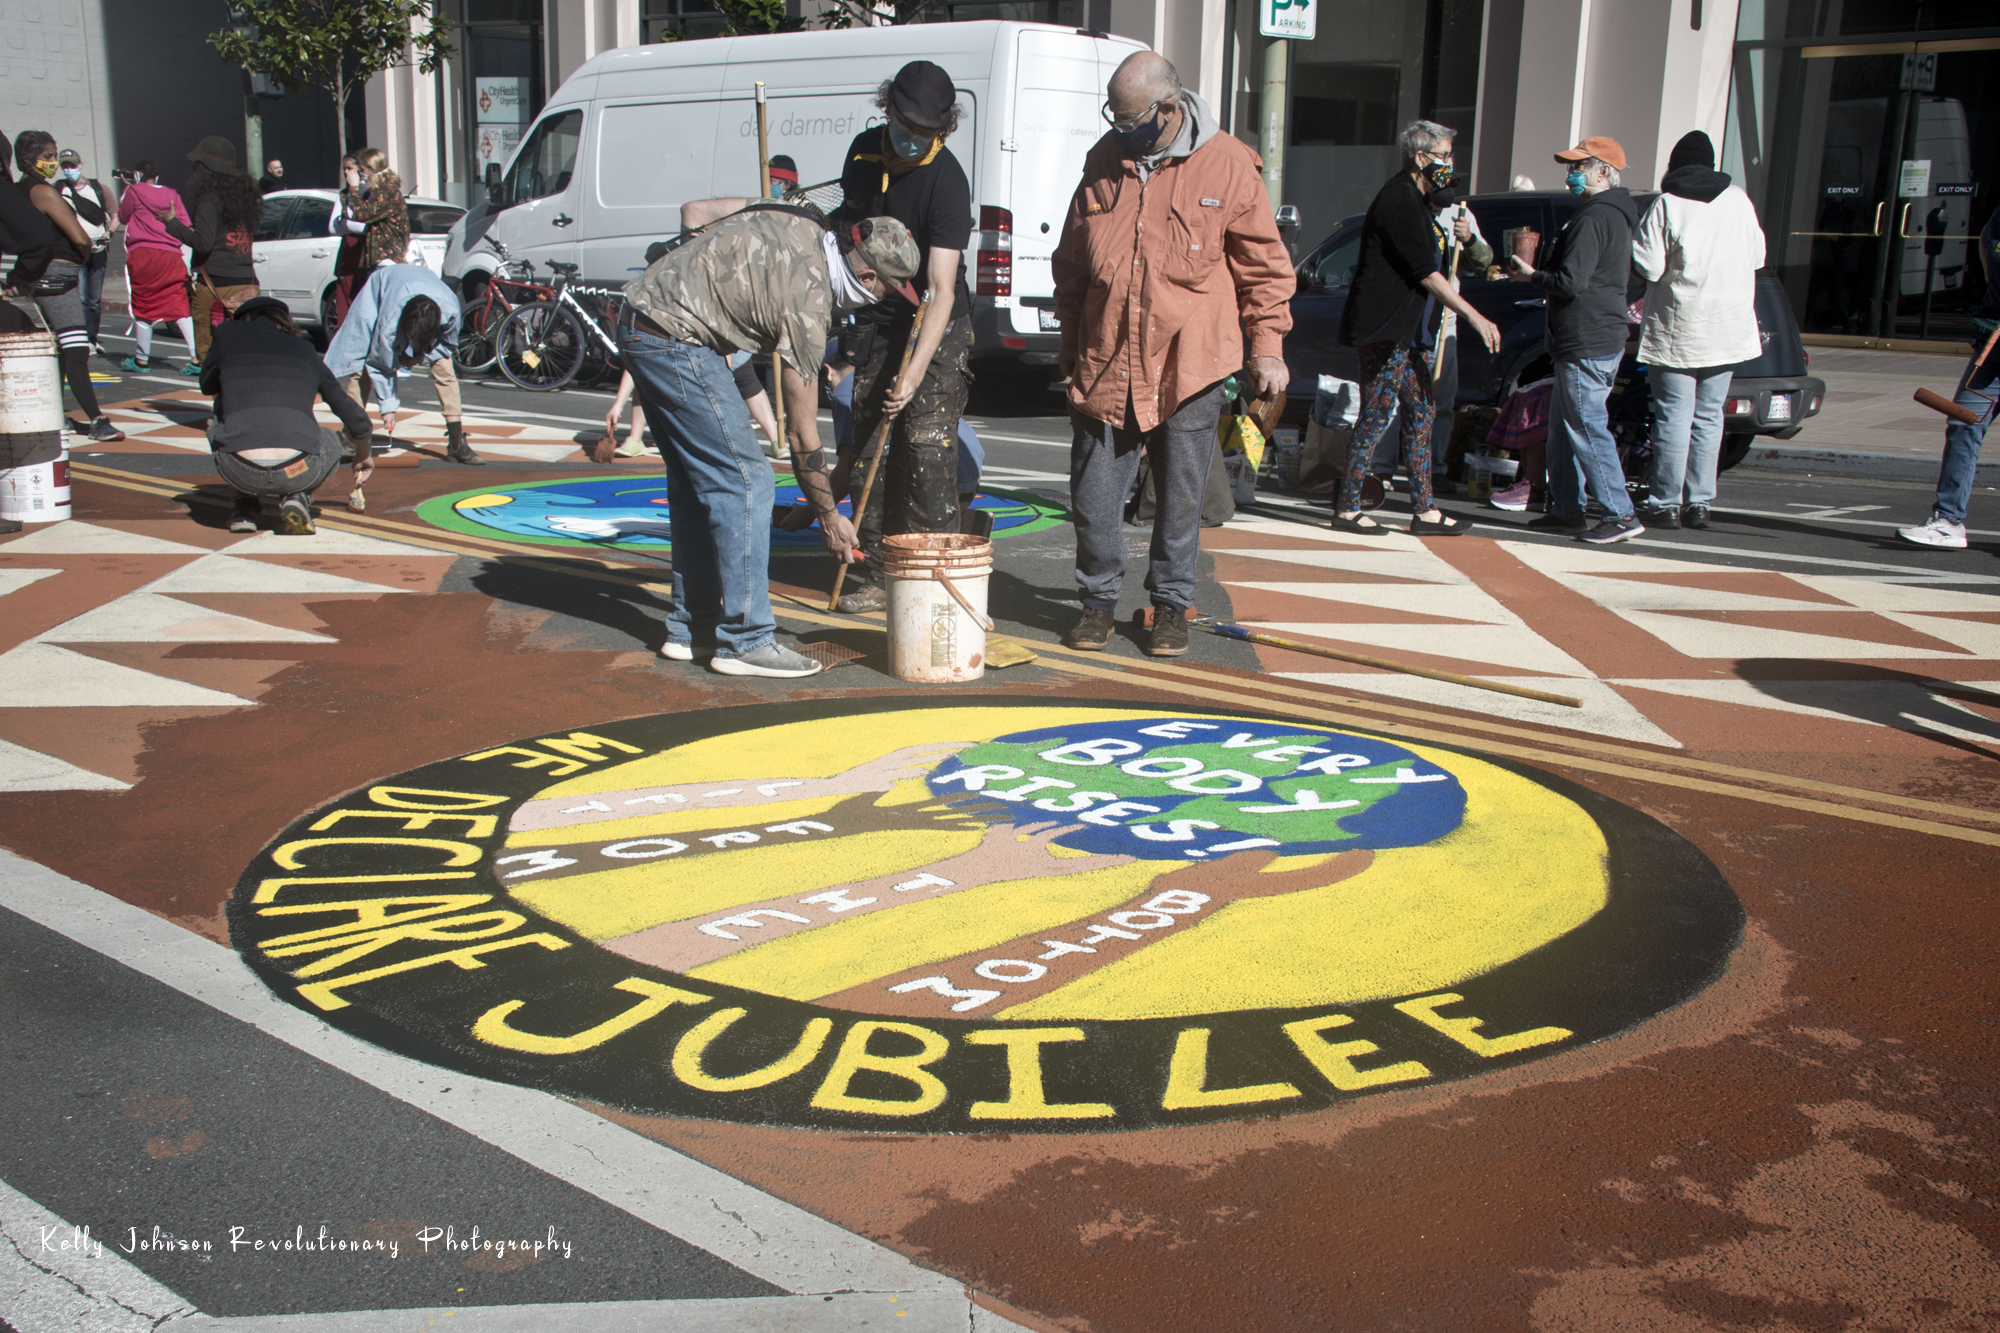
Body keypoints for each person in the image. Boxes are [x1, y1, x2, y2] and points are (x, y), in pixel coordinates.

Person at [1051, 52, 1295, 656]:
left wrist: (1268, 348)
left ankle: (1170, 606)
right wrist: (1069, 339)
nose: (1117, 128)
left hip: (1192, 360)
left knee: (1181, 496)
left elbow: (1263, 267)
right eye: (1112, 114)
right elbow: (1074, 258)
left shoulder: (1231, 164)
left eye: (1127, 117)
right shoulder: (1105, 160)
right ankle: (1098, 603)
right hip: (1107, 355)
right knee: (1093, 495)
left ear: (1168, 108)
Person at [617, 203, 919, 677]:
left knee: (699, 483)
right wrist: (829, 517)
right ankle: (745, 640)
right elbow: (801, 436)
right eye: (885, 289)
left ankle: (692, 627)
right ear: (863, 272)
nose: (881, 301)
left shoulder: (807, 230)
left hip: (642, 318)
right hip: (676, 338)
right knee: (747, 480)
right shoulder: (809, 303)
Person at [804, 61, 977, 614]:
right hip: (878, 316)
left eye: (925, 133)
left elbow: (942, 291)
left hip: (934, 323)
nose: (910, 139)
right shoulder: (862, 152)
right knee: (871, 445)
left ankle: (933, 575)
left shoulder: (947, 181)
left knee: (925, 445)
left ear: (943, 130)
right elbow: (850, 227)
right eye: (903, 124)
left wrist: (915, 371)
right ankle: (879, 573)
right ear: (888, 110)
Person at [1333, 120, 1500, 539]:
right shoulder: (1399, 200)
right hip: (1385, 329)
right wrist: (1475, 317)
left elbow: (1455, 261)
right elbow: (1425, 272)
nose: (1449, 164)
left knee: (1423, 412)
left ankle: (1424, 510)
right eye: (1443, 156)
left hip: (1412, 333)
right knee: (1376, 414)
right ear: (1421, 158)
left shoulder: (1423, 203)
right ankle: (1348, 505)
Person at [1507, 135, 1642, 544]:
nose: (1571, 175)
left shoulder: (1594, 217)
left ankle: (1620, 514)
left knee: (1585, 426)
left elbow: (1571, 281)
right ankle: (1568, 510)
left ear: (1603, 171)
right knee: (1565, 427)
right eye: (1570, 168)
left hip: (1587, 337)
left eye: (1579, 167)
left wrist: (1530, 276)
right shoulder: (1609, 214)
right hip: (1589, 336)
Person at [1632, 131, 1765, 532]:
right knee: (1710, 418)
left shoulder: (1667, 204)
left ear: (1674, 166)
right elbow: (1757, 256)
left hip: (1680, 327)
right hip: (1727, 329)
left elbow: (1650, 266)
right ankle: (1700, 502)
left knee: (1674, 417)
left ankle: (1665, 502)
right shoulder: (1738, 199)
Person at [202, 297, 372, 536]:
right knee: (328, 439)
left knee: (221, 416)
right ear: (285, 321)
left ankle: (244, 507)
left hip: (239, 468)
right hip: (299, 467)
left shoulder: (227, 333)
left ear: (243, 319)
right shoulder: (304, 349)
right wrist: (363, 454)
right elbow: (354, 416)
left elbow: (206, 384)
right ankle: (297, 494)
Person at [12, 131, 124, 442]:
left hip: (42, 274)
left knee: (64, 346)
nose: (54, 163)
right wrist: (85, 253)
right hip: (58, 276)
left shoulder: (19, 191)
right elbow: (77, 236)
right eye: (48, 157)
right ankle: (97, 420)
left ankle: (56, 411)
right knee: (76, 348)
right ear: (29, 159)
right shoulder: (44, 192)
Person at [1899, 207, 2000, 549]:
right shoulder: (1997, 219)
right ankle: (1947, 521)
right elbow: (1988, 253)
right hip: (1994, 347)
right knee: (1964, 424)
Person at [324, 264, 482, 466]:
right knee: (361, 366)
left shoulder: (451, 312)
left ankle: (456, 442)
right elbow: (380, 363)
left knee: (444, 367)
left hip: (423, 284)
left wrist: (419, 358)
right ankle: (350, 436)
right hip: (382, 286)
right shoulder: (390, 320)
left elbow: (447, 345)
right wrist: (388, 407)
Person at [164, 136, 261, 364]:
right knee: (242, 353)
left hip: (215, 287)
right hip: (247, 283)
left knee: (210, 356)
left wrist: (173, 223)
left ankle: (222, 399)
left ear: (204, 169)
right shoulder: (246, 197)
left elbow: (203, 243)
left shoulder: (208, 198)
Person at [115, 161, 199, 374]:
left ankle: (141, 359)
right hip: (171, 254)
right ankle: (196, 357)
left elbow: (123, 216)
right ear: (157, 176)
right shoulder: (172, 193)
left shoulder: (133, 191)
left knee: (143, 306)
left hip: (143, 255)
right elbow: (186, 224)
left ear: (137, 175)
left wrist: (128, 188)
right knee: (179, 304)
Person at [329, 148, 408, 330]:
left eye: (362, 170)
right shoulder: (379, 191)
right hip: (375, 260)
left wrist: (354, 188)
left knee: (384, 315)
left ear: (372, 169)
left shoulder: (388, 191)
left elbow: (361, 214)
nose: (360, 175)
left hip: (387, 259)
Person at [53, 148, 115, 352]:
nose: (69, 169)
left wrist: (109, 233)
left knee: (94, 300)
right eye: (65, 166)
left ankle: (92, 338)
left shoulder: (99, 189)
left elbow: (115, 216)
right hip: (75, 252)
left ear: (80, 165)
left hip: (98, 251)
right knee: (79, 297)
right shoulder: (59, 190)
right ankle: (81, 339)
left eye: (72, 165)